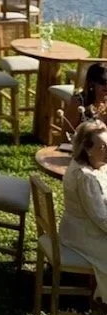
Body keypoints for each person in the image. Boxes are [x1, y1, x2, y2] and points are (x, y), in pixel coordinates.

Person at [59, 118, 107, 305]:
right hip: (84, 236)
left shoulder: (90, 165)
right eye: (102, 147)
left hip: (78, 228)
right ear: (87, 149)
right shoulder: (85, 178)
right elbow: (102, 220)